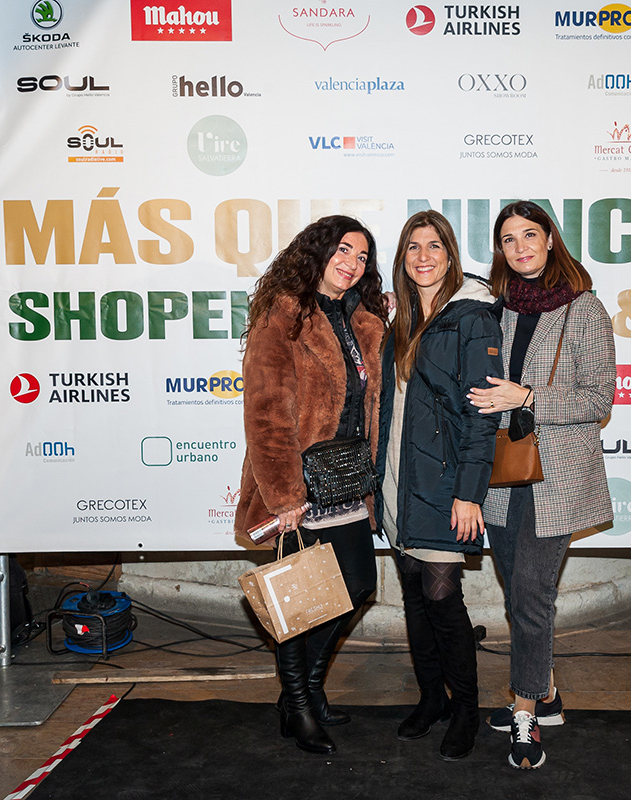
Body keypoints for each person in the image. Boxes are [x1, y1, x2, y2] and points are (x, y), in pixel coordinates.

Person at [468, 200, 618, 770]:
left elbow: (598, 399)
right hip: (502, 476)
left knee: (531, 597)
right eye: (508, 239)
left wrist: (527, 396)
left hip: (556, 479)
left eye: (530, 235)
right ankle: (547, 693)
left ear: (551, 239)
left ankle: (526, 714)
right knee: (519, 595)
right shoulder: (495, 309)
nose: (520, 247)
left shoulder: (584, 309)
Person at [234, 215, 387, 755]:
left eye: (362, 257)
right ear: (317, 252)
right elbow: (267, 413)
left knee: (358, 585)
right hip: (299, 484)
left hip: (346, 479)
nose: (352, 263)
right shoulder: (282, 315)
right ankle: (298, 706)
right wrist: (285, 497)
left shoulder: (362, 318)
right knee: (300, 599)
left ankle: (305, 692)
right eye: (343, 250)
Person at [376, 210, 502, 761]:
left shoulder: (473, 318)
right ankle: (432, 699)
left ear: (451, 255)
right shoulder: (400, 319)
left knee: (442, 598)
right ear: (402, 259)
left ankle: (466, 708)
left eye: (434, 246)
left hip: (446, 482)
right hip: (398, 478)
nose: (423, 256)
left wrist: (470, 492)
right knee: (413, 596)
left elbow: (482, 414)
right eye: (412, 247)